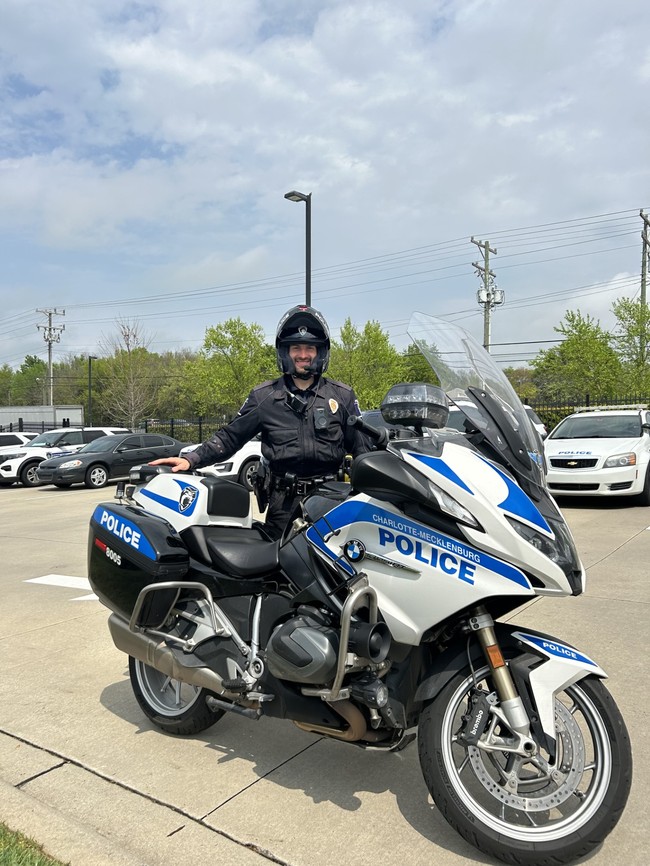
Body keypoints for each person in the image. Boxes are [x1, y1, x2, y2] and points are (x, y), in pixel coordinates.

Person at [150, 305, 372, 539]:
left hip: (332, 501)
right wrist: (191, 459)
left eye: (310, 348)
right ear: (285, 352)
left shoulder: (342, 396)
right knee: (277, 561)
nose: (303, 354)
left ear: (321, 352)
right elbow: (230, 437)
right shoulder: (264, 396)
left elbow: (364, 451)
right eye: (296, 347)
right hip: (283, 506)